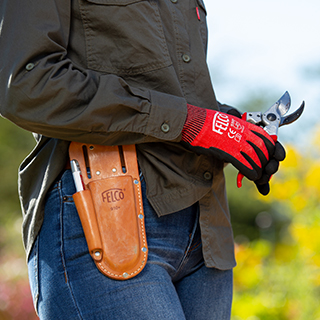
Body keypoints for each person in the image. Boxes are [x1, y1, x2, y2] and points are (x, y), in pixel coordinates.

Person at [0, 0, 285, 319]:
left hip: (206, 231)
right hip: (106, 212)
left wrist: (230, 127)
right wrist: (192, 124)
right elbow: (28, 85)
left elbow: (172, 93)